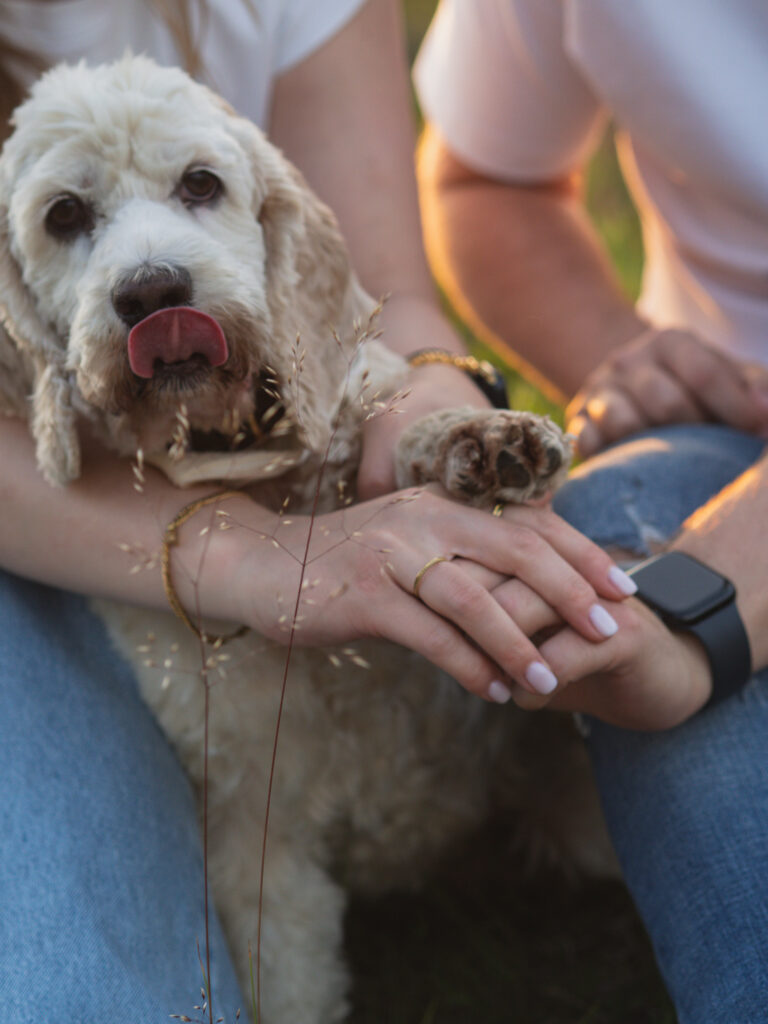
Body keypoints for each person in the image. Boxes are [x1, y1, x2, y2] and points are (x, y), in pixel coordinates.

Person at [0, 1, 640, 1020]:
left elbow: (380, 321)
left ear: (269, 222)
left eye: (198, 188)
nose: (149, 271)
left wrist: (430, 421)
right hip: (68, 546)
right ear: (21, 302)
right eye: (69, 219)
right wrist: (246, 556)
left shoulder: (305, 294)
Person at [415, 1, 768, 1020]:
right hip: (726, 426)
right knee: (614, 529)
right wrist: (622, 353)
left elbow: (686, 618)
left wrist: (698, 612)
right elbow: (487, 174)